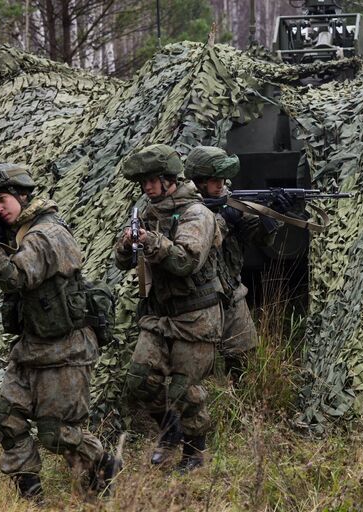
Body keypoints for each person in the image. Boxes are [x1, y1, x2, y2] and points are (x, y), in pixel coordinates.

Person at [0, 163, 119, 500]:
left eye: (3, 200)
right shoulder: (22, 231)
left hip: (65, 349)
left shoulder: (47, 235)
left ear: (23, 194)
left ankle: (103, 464)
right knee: (7, 422)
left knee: (58, 435)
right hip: (31, 347)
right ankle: (31, 498)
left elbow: (17, 277)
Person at [113, 144, 223, 471]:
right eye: (143, 183)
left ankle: (194, 454)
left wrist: (151, 241)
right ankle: (170, 430)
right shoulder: (148, 213)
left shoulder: (197, 214)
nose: (147, 188)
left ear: (169, 179)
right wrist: (125, 244)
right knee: (139, 380)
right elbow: (123, 262)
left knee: (184, 390)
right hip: (160, 315)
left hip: (196, 315)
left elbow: (186, 261)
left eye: (152, 181)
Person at [183, 146, 291, 382]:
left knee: (245, 361)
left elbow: (259, 237)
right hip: (198, 301)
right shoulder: (184, 209)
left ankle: (243, 405)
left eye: (222, 179)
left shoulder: (230, 201)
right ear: (198, 181)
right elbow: (192, 247)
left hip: (231, 294)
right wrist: (223, 220)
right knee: (200, 372)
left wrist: (272, 215)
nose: (221, 184)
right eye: (214, 180)